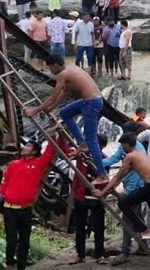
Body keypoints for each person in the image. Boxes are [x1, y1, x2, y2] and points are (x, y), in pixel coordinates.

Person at [24, 55, 107, 184]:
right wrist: (51, 107)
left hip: (91, 103)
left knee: (91, 140)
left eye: (50, 68)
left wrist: (34, 110)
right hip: (92, 101)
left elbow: (52, 97)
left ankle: (102, 175)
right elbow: (65, 92)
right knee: (65, 113)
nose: (50, 71)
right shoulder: (71, 68)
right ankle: (81, 143)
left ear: (55, 65)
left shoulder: (63, 74)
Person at [95, 134, 150, 268]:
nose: (122, 148)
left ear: (126, 144)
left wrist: (102, 192)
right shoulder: (141, 153)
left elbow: (117, 177)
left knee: (123, 203)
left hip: (149, 188)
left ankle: (143, 229)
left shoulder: (130, 156)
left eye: (122, 145)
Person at [0, 136, 56, 270]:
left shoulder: (38, 164)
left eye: (27, 146)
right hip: (9, 209)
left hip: (25, 209)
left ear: (34, 151)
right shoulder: (13, 164)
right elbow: (3, 184)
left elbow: (49, 151)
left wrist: (54, 133)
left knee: (25, 241)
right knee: (11, 241)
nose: (24, 148)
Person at [68, 134, 107, 265]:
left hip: (96, 197)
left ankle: (100, 254)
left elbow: (105, 178)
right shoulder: (82, 156)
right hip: (82, 196)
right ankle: (80, 254)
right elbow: (68, 153)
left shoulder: (104, 159)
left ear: (101, 146)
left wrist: (103, 193)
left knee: (98, 227)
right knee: (80, 225)